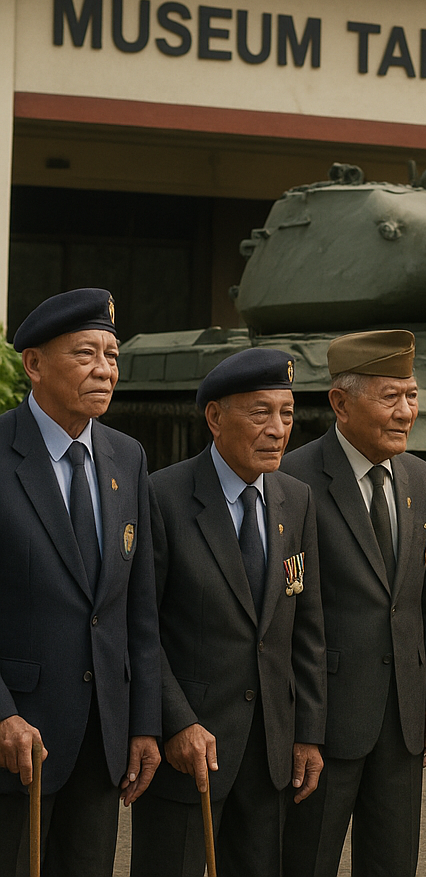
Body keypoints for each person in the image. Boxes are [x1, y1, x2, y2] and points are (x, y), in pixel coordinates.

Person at [131, 347, 326, 877]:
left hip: (270, 756)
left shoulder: (296, 498)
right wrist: (177, 722)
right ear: (215, 417)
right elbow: (141, 627)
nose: (278, 429)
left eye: (287, 414)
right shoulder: (162, 497)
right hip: (190, 751)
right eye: (260, 412)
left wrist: (307, 732)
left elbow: (305, 628)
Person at [0, 288, 161, 877]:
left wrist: (143, 722)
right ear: (35, 365)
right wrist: (1, 714)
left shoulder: (128, 457)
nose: (105, 369)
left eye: (113, 355)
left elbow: (136, 610)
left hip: (102, 738)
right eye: (85, 353)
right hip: (17, 740)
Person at [281, 330, 426, 877]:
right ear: (340, 402)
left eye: (412, 395)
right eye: (390, 397)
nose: (407, 412)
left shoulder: (421, 477)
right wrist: (301, 725)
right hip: (324, 721)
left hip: (402, 720)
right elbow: (283, 615)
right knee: (306, 861)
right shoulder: (292, 478)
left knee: (393, 862)